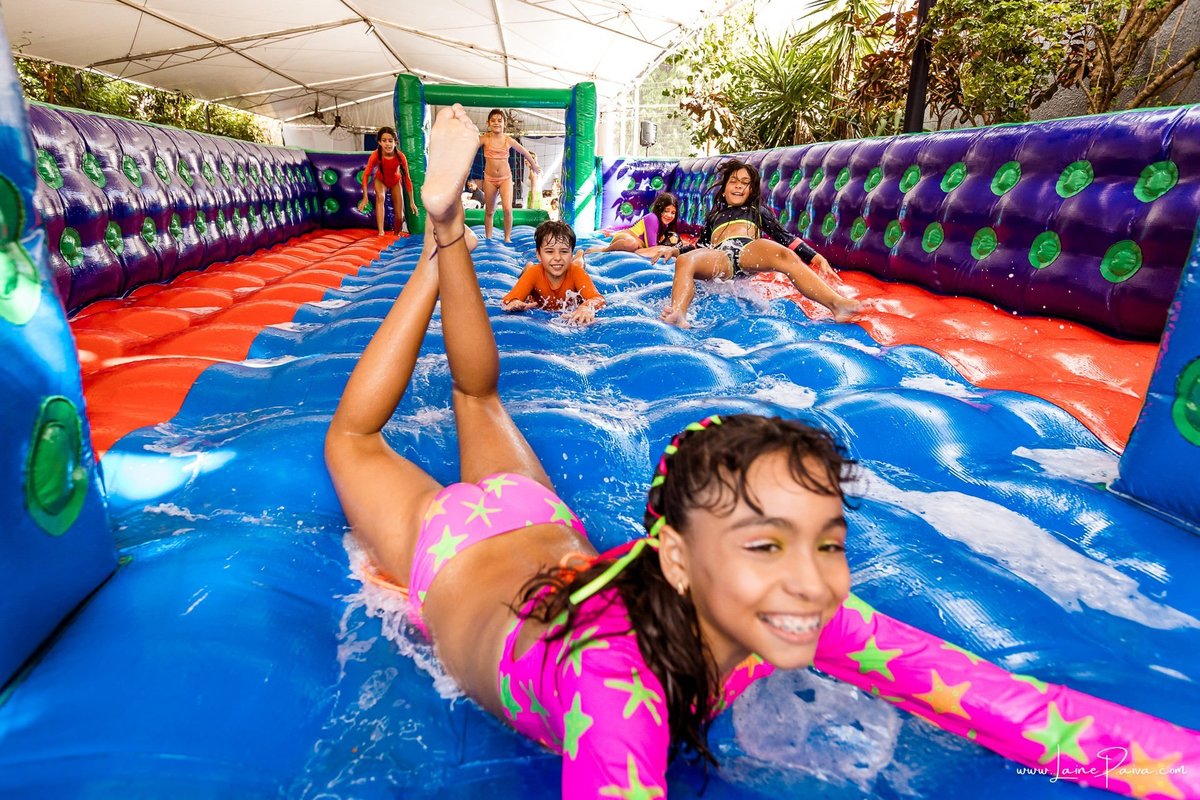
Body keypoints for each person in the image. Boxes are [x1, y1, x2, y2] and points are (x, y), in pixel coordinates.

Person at [324, 104, 853, 797]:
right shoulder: (742, 632)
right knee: (372, 434)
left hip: (537, 519)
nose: (815, 582)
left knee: (467, 400)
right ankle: (441, 242)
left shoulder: (760, 603)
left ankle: (443, 240)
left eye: (826, 546)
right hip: (450, 560)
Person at [649, 160, 862, 327]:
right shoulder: (714, 217)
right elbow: (700, 246)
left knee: (782, 254)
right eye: (734, 181)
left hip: (747, 251)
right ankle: (678, 313)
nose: (739, 186)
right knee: (686, 260)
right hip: (721, 256)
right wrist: (675, 250)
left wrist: (815, 257)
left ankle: (837, 304)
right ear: (724, 189)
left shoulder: (756, 212)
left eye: (745, 183)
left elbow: (784, 237)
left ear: (751, 191)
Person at [501, 220, 604, 326]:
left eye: (564, 251)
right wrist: (514, 302)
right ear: (539, 254)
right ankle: (528, 266)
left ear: (570, 254)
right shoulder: (534, 273)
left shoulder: (576, 272)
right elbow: (508, 299)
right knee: (530, 270)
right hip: (535, 270)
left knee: (578, 265)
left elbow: (597, 298)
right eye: (549, 251)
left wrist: (586, 307)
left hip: (573, 267)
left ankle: (579, 255)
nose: (557, 258)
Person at [478, 108, 540, 243]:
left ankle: (507, 238)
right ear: (488, 123)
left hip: (505, 179)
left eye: (499, 121)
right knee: (489, 211)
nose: (496, 123)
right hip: (489, 179)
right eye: (493, 120)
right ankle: (488, 237)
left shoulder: (508, 140)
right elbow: (469, 146)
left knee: (507, 209)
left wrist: (534, 165)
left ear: (504, 123)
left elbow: (524, 152)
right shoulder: (485, 139)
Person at [358, 126, 418, 236]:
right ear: (380, 142)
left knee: (399, 215)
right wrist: (365, 197)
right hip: (381, 180)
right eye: (384, 141)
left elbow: (407, 179)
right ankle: (381, 232)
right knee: (380, 197)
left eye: (390, 141)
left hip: (395, 181)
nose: (387, 144)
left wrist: (411, 202)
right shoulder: (376, 155)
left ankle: (396, 234)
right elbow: (366, 175)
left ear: (395, 142)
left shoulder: (400, 156)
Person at [587, 192, 681, 256]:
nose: (669, 215)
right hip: (625, 238)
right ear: (659, 209)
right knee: (632, 244)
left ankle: (637, 251)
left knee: (637, 245)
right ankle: (603, 250)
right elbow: (651, 246)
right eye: (666, 211)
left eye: (673, 213)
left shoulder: (665, 225)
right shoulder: (653, 218)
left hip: (638, 244)